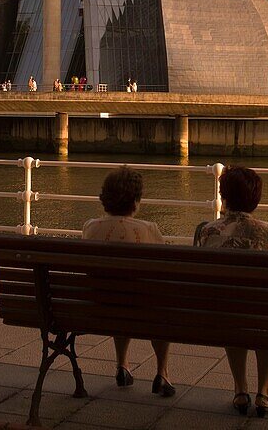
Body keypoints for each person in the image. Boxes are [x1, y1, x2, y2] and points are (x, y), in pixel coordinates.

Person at [195, 167, 268, 417]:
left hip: (221, 313)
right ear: (256, 199)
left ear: (223, 196)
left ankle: (240, 390)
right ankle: (264, 393)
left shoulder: (207, 231)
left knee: (231, 309)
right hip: (259, 313)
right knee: (266, 316)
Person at [82, 168, 174, 397]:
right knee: (157, 301)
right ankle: (162, 373)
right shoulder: (148, 229)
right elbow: (163, 272)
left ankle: (122, 365)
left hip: (99, 307)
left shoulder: (90, 227)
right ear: (135, 201)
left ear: (105, 198)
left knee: (117, 290)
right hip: (142, 309)